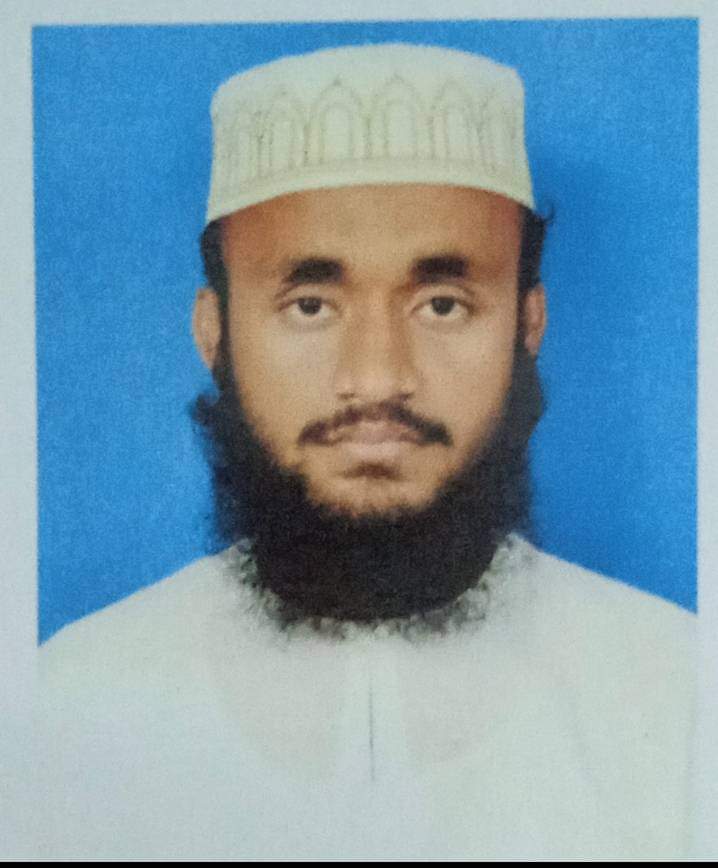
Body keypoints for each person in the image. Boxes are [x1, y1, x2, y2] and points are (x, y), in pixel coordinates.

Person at [39, 43, 695, 860]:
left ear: (528, 327)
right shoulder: (70, 703)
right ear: (214, 334)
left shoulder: (677, 698)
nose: (378, 378)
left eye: (443, 305)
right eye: (311, 305)